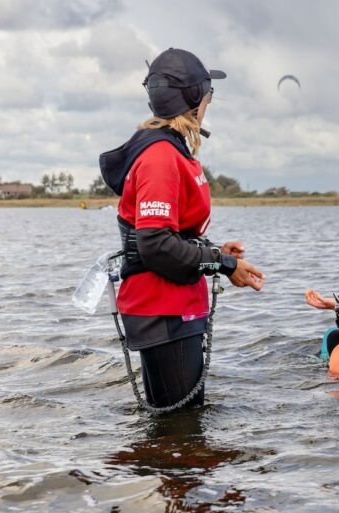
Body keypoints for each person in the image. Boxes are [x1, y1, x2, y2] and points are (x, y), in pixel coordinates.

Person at [99, 48, 264, 409]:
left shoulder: (171, 151)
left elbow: (171, 234)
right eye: (208, 94)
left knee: (182, 433)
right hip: (162, 310)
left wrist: (217, 254)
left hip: (174, 307)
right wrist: (222, 264)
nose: (209, 101)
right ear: (193, 98)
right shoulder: (159, 157)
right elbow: (155, 244)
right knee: (178, 430)